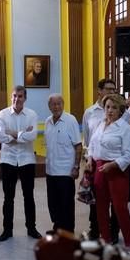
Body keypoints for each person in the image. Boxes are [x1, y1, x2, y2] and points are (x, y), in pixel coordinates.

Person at [86, 93, 130, 248]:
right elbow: (92, 145)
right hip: (99, 169)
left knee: (120, 208)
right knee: (100, 207)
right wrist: (89, 159)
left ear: (121, 110)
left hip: (117, 171)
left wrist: (112, 165)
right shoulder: (101, 125)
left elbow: (129, 156)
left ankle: (128, 242)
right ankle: (105, 239)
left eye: (114, 107)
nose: (110, 110)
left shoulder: (126, 128)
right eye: (107, 107)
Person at [0, 85, 42, 241]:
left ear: (25, 98)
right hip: (8, 160)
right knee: (8, 198)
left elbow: (33, 135)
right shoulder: (2, 114)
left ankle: (31, 228)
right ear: (11, 97)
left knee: (29, 196)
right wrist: (22, 134)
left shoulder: (32, 115)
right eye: (14, 96)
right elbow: (0, 138)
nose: (17, 99)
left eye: (20, 96)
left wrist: (12, 134)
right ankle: (7, 230)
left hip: (27, 160)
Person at [82, 78, 118, 240]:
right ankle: (95, 228)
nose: (112, 93)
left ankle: (114, 231)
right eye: (108, 89)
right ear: (99, 91)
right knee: (95, 198)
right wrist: (88, 159)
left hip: (115, 162)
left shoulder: (119, 112)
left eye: (114, 90)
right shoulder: (90, 112)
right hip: (95, 161)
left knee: (115, 198)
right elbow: (87, 140)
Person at [44, 93, 82, 233]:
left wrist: (76, 167)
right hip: (50, 170)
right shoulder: (48, 121)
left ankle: (68, 232)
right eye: (53, 104)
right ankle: (57, 228)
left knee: (66, 204)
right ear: (49, 107)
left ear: (63, 105)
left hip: (66, 171)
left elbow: (78, 145)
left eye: (59, 103)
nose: (56, 106)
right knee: (53, 204)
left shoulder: (70, 120)